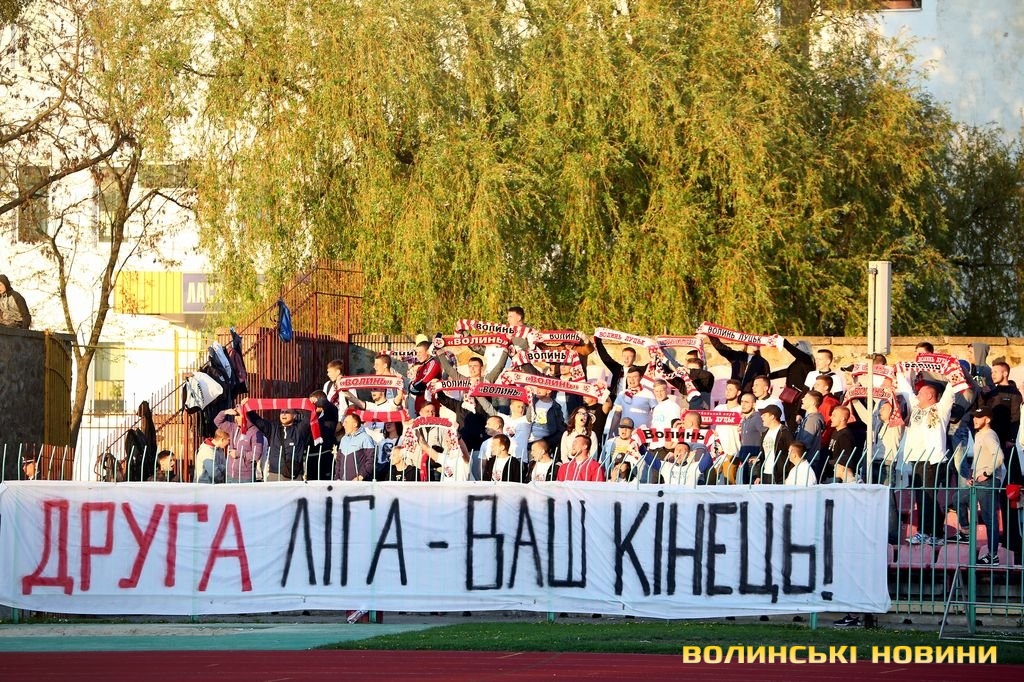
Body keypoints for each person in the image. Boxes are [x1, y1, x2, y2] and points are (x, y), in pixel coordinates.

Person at [957, 407, 1005, 565]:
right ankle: (966, 531)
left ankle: (993, 556)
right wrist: (972, 475)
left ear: (988, 419)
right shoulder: (979, 435)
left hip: (988, 481)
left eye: (979, 417)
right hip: (979, 481)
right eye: (974, 417)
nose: (975, 420)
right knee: (958, 498)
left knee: (989, 518)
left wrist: (987, 473)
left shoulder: (989, 434)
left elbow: (999, 457)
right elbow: (978, 458)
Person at [245, 407, 312, 481]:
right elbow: (258, 421)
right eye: (282, 412)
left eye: (287, 412)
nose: (284, 414)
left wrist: (309, 405)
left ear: (294, 415)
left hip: (294, 474)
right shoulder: (273, 428)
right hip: (275, 474)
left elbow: (310, 417)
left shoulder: (300, 429)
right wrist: (247, 408)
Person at [215, 407, 268, 482]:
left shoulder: (256, 432)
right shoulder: (233, 427)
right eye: (235, 416)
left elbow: (256, 455)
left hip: (245, 477)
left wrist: (238, 454)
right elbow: (217, 422)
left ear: (246, 416)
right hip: (230, 474)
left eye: (238, 415)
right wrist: (225, 412)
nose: (236, 418)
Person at [703, 334, 769, 393]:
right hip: (733, 393)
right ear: (747, 342)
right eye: (754, 340)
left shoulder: (763, 362)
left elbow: (766, 379)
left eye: (759, 341)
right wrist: (710, 333)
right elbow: (720, 347)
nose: (756, 343)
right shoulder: (737, 356)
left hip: (749, 396)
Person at [752, 405, 793, 485]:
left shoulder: (784, 433)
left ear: (772, 417)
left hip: (779, 475)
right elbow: (762, 455)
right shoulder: (765, 433)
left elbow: (792, 453)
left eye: (764, 415)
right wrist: (759, 475)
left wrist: (788, 475)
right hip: (765, 473)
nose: (761, 417)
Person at [335, 412, 376, 481]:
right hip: (342, 483)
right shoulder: (343, 439)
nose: (343, 424)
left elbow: (371, 460)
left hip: (359, 483)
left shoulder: (366, 438)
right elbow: (339, 460)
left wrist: (361, 476)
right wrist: (337, 477)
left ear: (355, 424)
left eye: (346, 422)